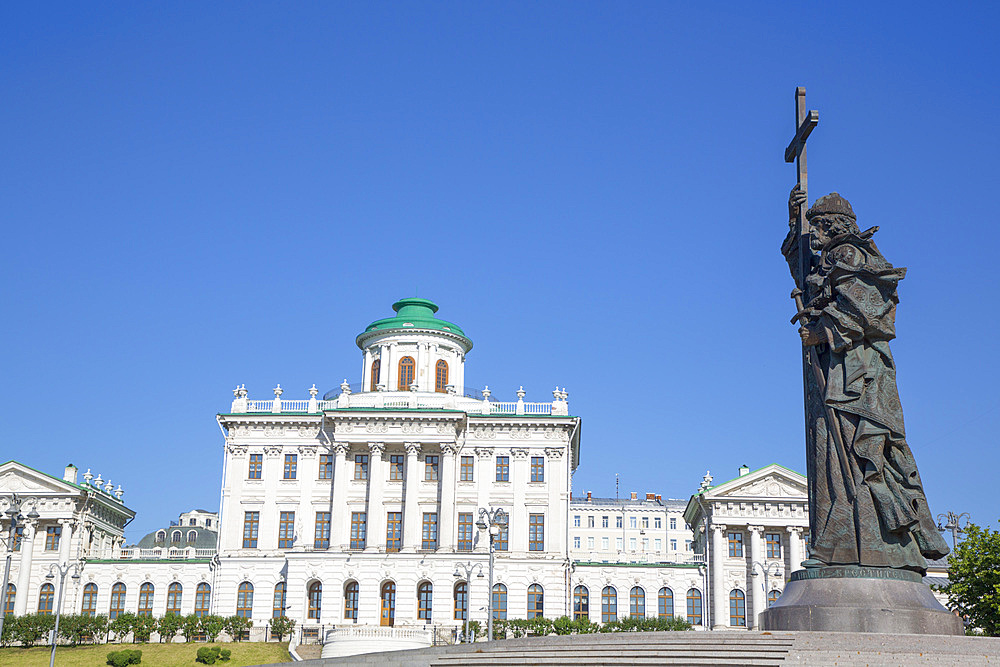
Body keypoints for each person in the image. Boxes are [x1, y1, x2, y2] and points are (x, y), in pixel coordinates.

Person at [782, 187, 949, 573]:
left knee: (862, 453)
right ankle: (839, 543)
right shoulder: (829, 259)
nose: (814, 234)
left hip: (858, 375)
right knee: (833, 456)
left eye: (816, 226)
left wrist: (821, 332)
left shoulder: (852, 255)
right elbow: (805, 269)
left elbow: (869, 312)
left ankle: (878, 544)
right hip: (836, 372)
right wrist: (794, 220)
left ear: (831, 225)